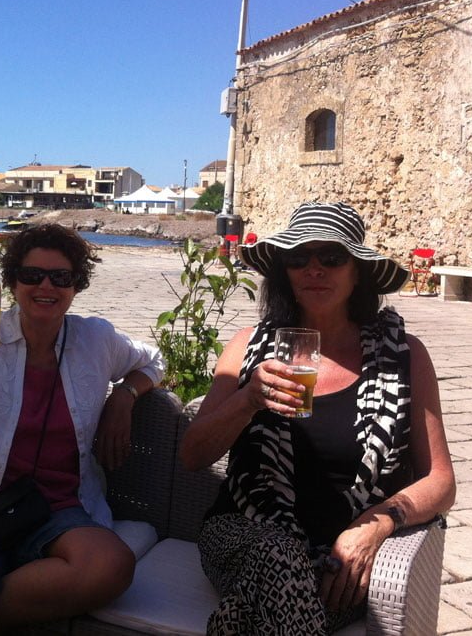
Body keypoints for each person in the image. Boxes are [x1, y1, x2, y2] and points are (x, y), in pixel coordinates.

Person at [180, 202, 455, 635]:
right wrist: (247, 399)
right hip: (244, 533)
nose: (314, 269)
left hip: (341, 558)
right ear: (284, 273)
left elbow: (440, 480)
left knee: (253, 613)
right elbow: (193, 455)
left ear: (357, 271)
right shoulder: (247, 347)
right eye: (298, 258)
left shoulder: (404, 357)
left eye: (331, 257)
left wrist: (377, 524)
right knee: (278, 557)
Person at [0, 224, 164, 635]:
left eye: (61, 277)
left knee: (109, 566)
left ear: (76, 285)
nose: (46, 286)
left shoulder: (96, 340)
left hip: (55, 507)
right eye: (32, 275)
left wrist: (123, 396)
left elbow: (154, 360)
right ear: (12, 282)